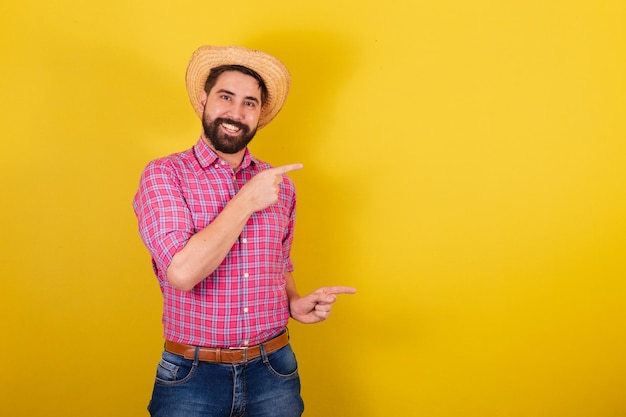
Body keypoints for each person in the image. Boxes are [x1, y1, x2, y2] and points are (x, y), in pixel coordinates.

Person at [133, 45, 356, 417]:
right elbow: (183, 273)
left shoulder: (280, 185)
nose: (236, 113)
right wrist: (245, 201)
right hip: (192, 376)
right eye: (226, 97)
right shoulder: (164, 175)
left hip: (274, 370)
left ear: (259, 114)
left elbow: (279, 263)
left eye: (249, 103)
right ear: (204, 100)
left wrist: (294, 303)